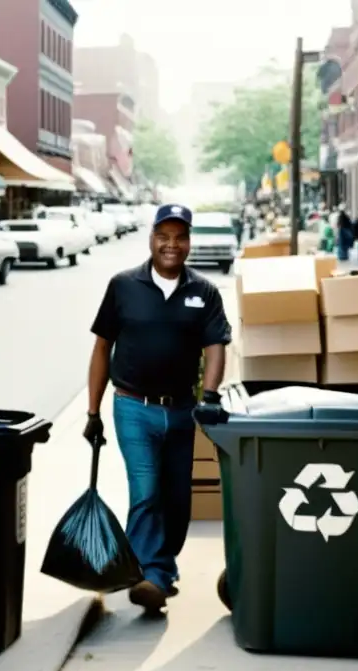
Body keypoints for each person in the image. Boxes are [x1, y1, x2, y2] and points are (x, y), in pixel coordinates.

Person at [84, 204, 232, 613]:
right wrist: (93, 412)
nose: (172, 245)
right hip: (133, 406)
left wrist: (211, 395)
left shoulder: (204, 292)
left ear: (188, 242)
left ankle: (160, 573)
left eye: (180, 237)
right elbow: (101, 349)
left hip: (183, 410)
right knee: (146, 490)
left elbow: (215, 346)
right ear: (151, 239)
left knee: (177, 501)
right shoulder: (123, 285)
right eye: (163, 236)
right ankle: (148, 574)